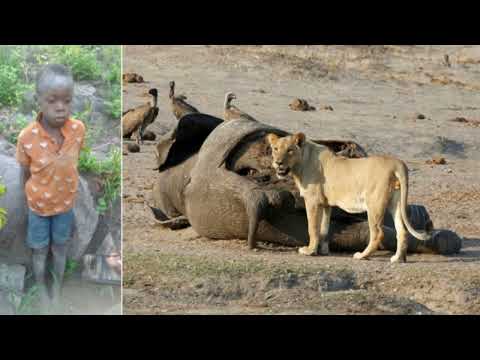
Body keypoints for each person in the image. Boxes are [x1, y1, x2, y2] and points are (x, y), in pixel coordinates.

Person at [15, 64, 85, 311]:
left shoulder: (77, 130)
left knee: (60, 247)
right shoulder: (26, 137)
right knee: (39, 250)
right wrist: (27, 202)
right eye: (52, 100)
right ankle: (42, 288)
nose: (60, 107)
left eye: (67, 100)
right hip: (38, 208)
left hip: (65, 206)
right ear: (38, 100)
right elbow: (24, 172)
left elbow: (74, 161)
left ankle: (56, 288)